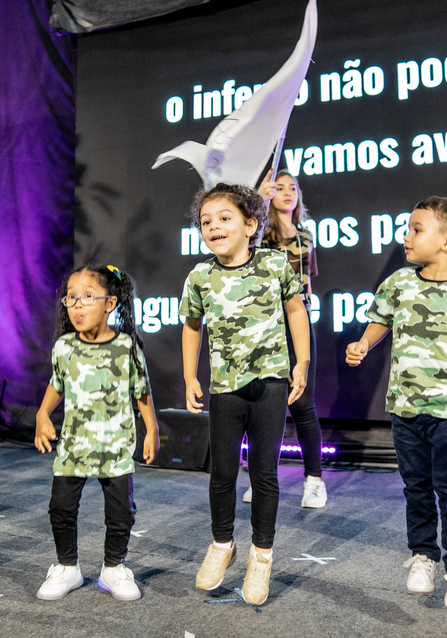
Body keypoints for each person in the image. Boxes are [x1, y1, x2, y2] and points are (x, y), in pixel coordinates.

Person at [346, 197, 447, 614]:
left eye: (417, 229)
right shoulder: (399, 283)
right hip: (404, 407)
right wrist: (364, 343)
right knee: (415, 486)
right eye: (408, 228)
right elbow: (380, 321)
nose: (407, 236)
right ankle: (423, 555)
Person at [181, 182, 311, 606]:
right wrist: (189, 376)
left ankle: (262, 554)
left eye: (224, 218)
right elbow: (191, 326)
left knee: (263, 473)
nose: (213, 226)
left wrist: (302, 362)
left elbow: (296, 310)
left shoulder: (274, 265)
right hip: (225, 388)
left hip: (270, 385)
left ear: (251, 224)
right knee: (222, 473)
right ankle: (222, 543)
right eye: (206, 221)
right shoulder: (200, 276)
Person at [34, 265, 159, 602]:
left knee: (120, 513)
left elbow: (141, 392)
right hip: (73, 446)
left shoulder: (127, 347)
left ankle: (114, 567)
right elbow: (56, 385)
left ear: (110, 304)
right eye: (71, 298)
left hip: (116, 447)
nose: (77, 305)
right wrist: (43, 414)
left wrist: (152, 430)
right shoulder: (63, 346)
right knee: (61, 507)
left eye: (87, 297)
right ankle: (66, 567)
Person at [256, 169, 325, 508]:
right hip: (267, 324)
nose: (287, 192)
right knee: (264, 405)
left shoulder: (306, 236)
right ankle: (261, 476)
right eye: (279, 188)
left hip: (297, 323)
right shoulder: (260, 233)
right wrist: (258, 198)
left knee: (302, 404)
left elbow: (307, 278)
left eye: (292, 188)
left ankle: (313, 480)